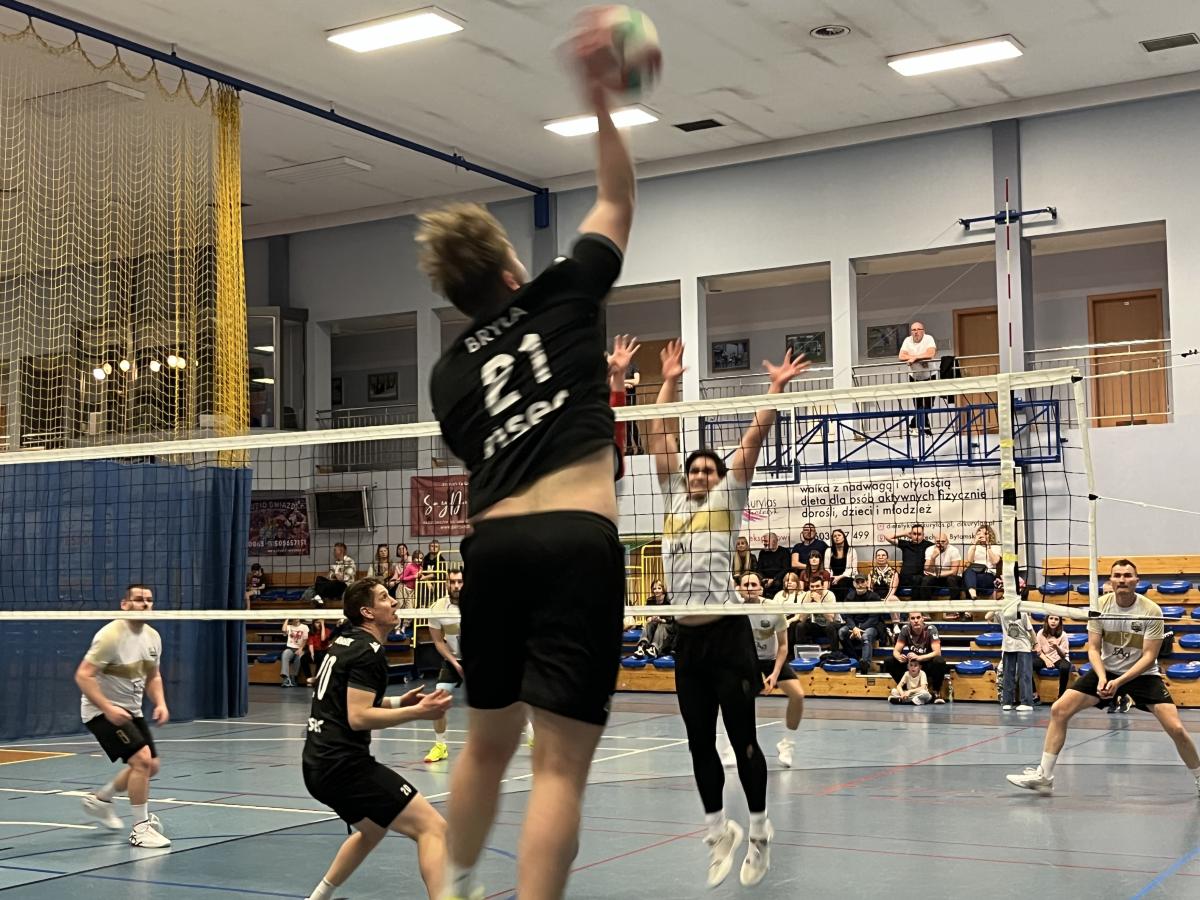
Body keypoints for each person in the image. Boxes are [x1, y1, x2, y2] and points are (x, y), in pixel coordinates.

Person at [416, 25, 637, 897]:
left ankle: (456, 882)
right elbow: (616, 196)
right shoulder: (565, 290)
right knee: (559, 767)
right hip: (576, 538)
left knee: (487, 743)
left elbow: (484, 450)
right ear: (511, 269)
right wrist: (600, 98)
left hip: (495, 548)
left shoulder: (447, 375)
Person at [646, 337, 808, 889]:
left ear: (718, 478)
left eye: (707, 470)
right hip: (687, 642)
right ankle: (719, 831)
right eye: (693, 470)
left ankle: (759, 831)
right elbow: (659, 434)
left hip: (728, 637)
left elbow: (752, 440)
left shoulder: (727, 500)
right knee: (698, 742)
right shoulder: (671, 499)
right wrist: (668, 381)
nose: (699, 475)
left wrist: (775, 389)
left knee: (743, 742)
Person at [301, 578, 454, 900]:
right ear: (367, 612)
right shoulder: (367, 653)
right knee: (433, 828)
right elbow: (359, 717)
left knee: (372, 830)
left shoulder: (345, 642)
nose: (394, 602)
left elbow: (349, 702)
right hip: (344, 767)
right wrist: (419, 712)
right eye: (385, 598)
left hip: (318, 764)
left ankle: (317, 898)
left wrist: (400, 703)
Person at [1007, 560, 1200, 797]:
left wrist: (1118, 683)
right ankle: (1044, 776)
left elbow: (1149, 656)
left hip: (1142, 674)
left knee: (1177, 728)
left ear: (1137, 581)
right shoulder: (1099, 606)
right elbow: (1093, 649)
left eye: (1127, 575)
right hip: (1106, 670)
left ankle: (1199, 777)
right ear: (1110, 581)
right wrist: (1101, 677)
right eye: (1117, 575)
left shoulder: (1151, 611)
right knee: (1059, 710)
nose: (1122, 580)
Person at [76, 585, 171, 848]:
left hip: (131, 711)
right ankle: (140, 830)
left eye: (149, 600)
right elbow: (83, 675)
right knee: (141, 760)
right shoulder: (110, 636)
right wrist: (107, 708)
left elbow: (153, 676)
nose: (145, 604)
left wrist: (161, 702)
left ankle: (101, 800)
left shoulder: (152, 636)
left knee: (151, 766)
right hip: (100, 711)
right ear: (124, 604)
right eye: (138, 599)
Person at [740, 572, 804, 768]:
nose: (750, 588)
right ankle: (730, 746)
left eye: (753, 584)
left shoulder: (773, 608)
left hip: (771, 659)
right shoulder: (733, 610)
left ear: (761, 588)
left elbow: (783, 646)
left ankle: (787, 744)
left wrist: (774, 674)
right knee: (732, 699)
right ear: (739, 589)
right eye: (746, 585)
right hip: (745, 661)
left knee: (798, 695)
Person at [424, 569, 465, 763]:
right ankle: (440, 746)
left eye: (460, 582)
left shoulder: (480, 602)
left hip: (480, 659)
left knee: (509, 698)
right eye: (452, 582)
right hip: (453, 660)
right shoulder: (438, 607)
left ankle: (532, 737)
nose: (456, 586)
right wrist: (455, 663)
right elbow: (438, 642)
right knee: (438, 700)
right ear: (446, 583)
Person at [883, 612, 947, 703]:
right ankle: (905, 691)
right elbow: (896, 651)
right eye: (913, 618)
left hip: (927, 664)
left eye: (918, 617)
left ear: (923, 619)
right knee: (889, 661)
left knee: (939, 661)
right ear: (909, 620)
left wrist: (919, 657)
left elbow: (937, 652)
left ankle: (936, 692)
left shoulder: (931, 629)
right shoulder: (905, 629)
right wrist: (899, 657)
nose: (916, 620)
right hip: (913, 665)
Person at [988, 591, 1034, 711]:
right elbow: (987, 617)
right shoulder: (1001, 611)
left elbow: (1030, 630)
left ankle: (1027, 703)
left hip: (1023, 646)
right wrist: (998, 604)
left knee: (1024, 675)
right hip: (1008, 646)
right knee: (1008, 675)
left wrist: (1035, 643)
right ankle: (1007, 702)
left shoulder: (1021, 611)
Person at [838, 574, 884, 674]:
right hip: (854, 626)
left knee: (866, 636)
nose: (860, 585)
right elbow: (847, 616)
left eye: (862, 582)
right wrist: (854, 628)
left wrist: (858, 628)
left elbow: (874, 618)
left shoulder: (874, 597)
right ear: (854, 584)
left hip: (871, 626)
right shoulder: (850, 597)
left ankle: (865, 665)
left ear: (867, 583)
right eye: (857, 582)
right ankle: (854, 659)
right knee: (841, 632)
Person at [898, 321, 937, 433]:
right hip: (914, 377)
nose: (916, 332)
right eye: (913, 330)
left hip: (930, 375)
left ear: (923, 331)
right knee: (918, 405)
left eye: (918, 329)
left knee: (928, 404)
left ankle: (914, 423)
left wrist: (914, 359)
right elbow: (901, 356)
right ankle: (925, 428)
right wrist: (920, 358)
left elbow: (930, 354)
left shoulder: (928, 338)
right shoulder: (907, 340)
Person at [883, 524, 932, 596]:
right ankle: (889, 599)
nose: (916, 536)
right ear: (911, 534)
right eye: (914, 534)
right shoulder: (905, 544)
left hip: (919, 578)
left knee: (918, 579)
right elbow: (887, 536)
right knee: (893, 577)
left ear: (923, 535)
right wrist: (905, 533)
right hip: (904, 578)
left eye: (919, 534)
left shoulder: (929, 545)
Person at [1033, 613, 1071, 704]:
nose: (1053, 621)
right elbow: (1038, 651)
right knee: (1027, 665)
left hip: (1058, 658)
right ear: (1047, 620)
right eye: (1051, 618)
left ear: (1059, 622)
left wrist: (1057, 647)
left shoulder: (1063, 635)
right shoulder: (1040, 633)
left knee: (1065, 667)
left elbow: (1063, 655)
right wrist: (1046, 660)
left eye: (1056, 619)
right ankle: (1034, 694)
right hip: (1044, 657)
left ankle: (1061, 696)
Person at [634, 579, 675, 659]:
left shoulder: (669, 600)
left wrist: (660, 619)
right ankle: (642, 647)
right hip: (655, 624)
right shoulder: (650, 600)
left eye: (659, 588)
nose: (656, 590)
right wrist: (650, 618)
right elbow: (647, 617)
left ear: (663, 589)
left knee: (661, 625)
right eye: (654, 588)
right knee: (649, 624)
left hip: (667, 627)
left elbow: (670, 620)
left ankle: (654, 649)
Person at [921, 532, 963, 603]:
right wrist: (933, 558)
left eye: (943, 541)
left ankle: (955, 606)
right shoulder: (930, 549)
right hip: (935, 576)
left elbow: (954, 572)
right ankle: (926, 606)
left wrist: (938, 574)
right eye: (938, 542)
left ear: (947, 542)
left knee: (952, 580)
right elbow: (928, 570)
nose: (940, 544)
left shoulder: (954, 550)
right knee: (926, 580)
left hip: (949, 576)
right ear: (934, 542)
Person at [963, 525, 1001, 600]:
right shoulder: (974, 547)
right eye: (979, 534)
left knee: (969, 580)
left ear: (990, 535)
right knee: (968, 572)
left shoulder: (996, 547)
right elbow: (970, 561)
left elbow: (995, 561)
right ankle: (973, 594)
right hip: (974, 573)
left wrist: (988, 547)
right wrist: (974, 544)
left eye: (985, 533)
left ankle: (971, 594)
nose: (982, 536)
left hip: (988, 574)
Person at [823, 529, 857, 602]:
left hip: (847, 577)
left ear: (844, 537)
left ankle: (843, 606)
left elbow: (853, 569)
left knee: (843, 583)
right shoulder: (828, 551)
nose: (837, 537)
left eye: (839, 535)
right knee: (832, 585)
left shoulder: (851, 550)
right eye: (834, 536)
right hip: (832, 577)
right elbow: (827, 568)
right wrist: (832, 577)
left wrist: (839, 577)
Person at [757, 533, 790, 598]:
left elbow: (786, 569)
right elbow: (759, 568)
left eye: (766, 541)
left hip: (779, 579)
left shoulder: (784, 551)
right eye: (763, 541)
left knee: (778, 583)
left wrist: (774, 579)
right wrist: (763, 578)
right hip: (765, 579)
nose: (764, 543)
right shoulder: (762, 552)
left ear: (774, 541)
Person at [281, 617, 310, 688]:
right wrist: (287, 619)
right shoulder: (289, 626)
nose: (296, 618)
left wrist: (300, 649)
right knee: (285, 654)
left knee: (300, 657)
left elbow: (305, 640)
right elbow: (284, 630)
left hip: (300, 648)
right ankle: (286, 678)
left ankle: (293, 677)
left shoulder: (304, 627)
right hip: (290, 649)